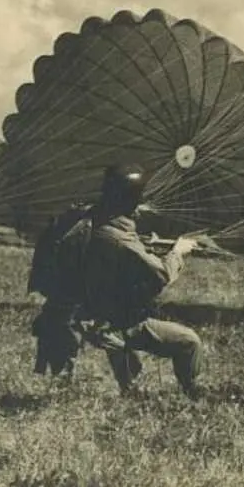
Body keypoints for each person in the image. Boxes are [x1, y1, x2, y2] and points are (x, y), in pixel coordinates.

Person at [31, 162, 205, 399]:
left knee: (63, 383)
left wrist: (144, 244)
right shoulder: (119, 238)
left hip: (71, 316)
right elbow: (160, 274)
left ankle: (126, 389)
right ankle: (192, 394)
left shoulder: (82, 219)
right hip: (110, 321)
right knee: (189, 342)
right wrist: (178, 251)